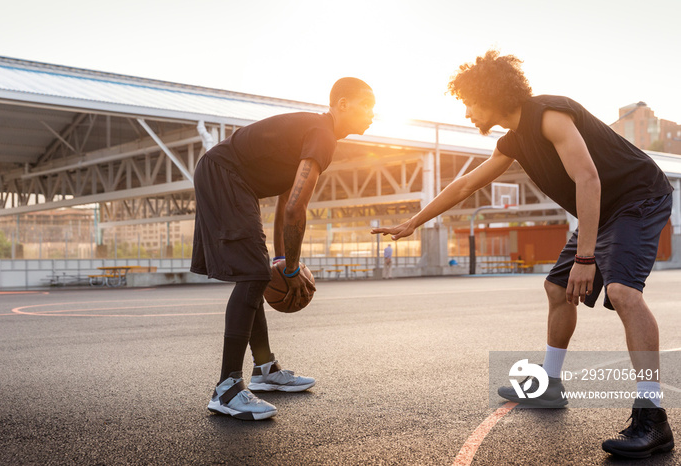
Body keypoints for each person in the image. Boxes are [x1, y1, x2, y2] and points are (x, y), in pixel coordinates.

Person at [371, 50, 674, 458]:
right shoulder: (512, 141)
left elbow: (587, 177)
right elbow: (463, 187)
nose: (466, 111)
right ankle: (549, 384)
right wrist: (414, 222)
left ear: (491, 95)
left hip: (638, 197)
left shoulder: (549, 115)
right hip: (602, 209)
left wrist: (586, 259)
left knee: (622, 292)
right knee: (555, 288)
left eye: (469, 102)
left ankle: (654, 420)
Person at [191, 78, 375, 420]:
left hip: (227, 175)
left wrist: (279, 258)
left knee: (257, 273)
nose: (374, 114)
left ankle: (264, 370)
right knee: (253, 274)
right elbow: (295, 209)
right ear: (344, 104)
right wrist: (290, 268)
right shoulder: (322, 133)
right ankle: (226, 389)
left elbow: (284, 203)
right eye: (368, 105)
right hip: (225, 175)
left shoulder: (316, 131)